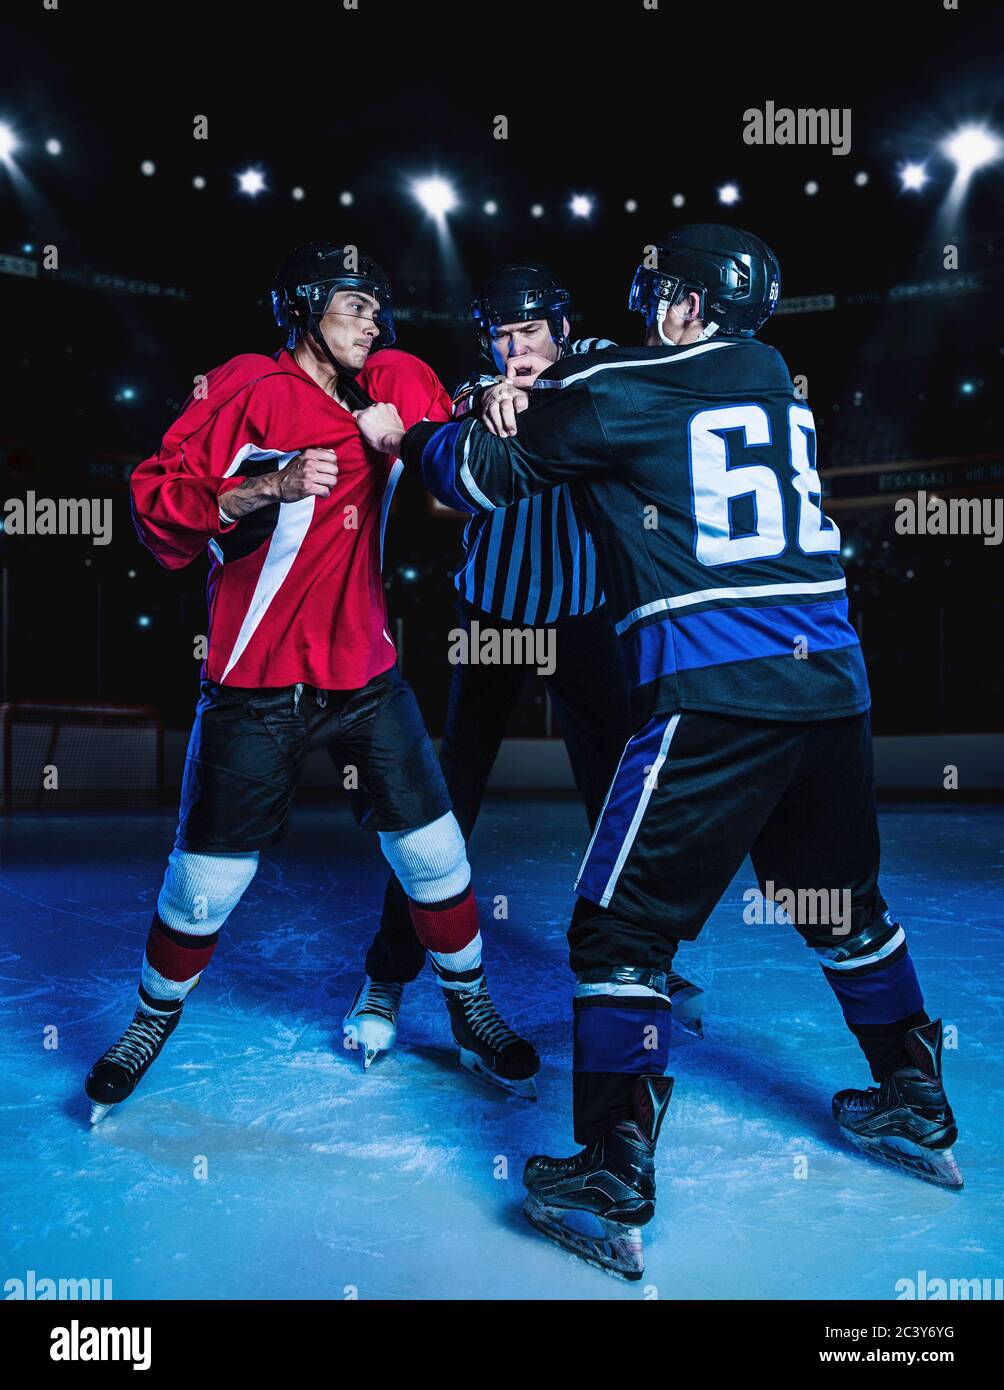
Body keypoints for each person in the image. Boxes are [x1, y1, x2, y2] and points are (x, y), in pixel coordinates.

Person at [355, 224, 961, 1280]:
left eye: (658, 295)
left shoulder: (615, 382)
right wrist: (538, 397)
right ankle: (915, 1101)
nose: (646, 310)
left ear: (682, 305)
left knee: (615, 935)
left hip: (715, 685)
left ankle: (610, 1170)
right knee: (840, 907)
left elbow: (474, 480)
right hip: (828, 682)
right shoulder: (772, 374)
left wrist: (414, 430)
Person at [83, 241, 536, 1126]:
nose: (373, 318)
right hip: (253, 684)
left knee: (435, 853)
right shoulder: (247, 386)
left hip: (365, 673)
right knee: (206, 885)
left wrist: (466, 410)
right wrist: (268, 485)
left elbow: (454, 455)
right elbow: (154, 504)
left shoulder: (395, 379)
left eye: (377, 304)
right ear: (301, 309)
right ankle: (148, 1023)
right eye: (353, 303)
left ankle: (470, 1010)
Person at [346, 263, 708, 1080]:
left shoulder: (595, 366)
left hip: (582, 620)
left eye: (531, 331)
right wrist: (489, 397)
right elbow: (470, 404)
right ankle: (387, 976)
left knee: (618, 797)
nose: (518, 347)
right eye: (504, 335)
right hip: (493, 615)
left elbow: (633, 376)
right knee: (443, 802)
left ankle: (645, 962)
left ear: (561, 326)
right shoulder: (483, 387)